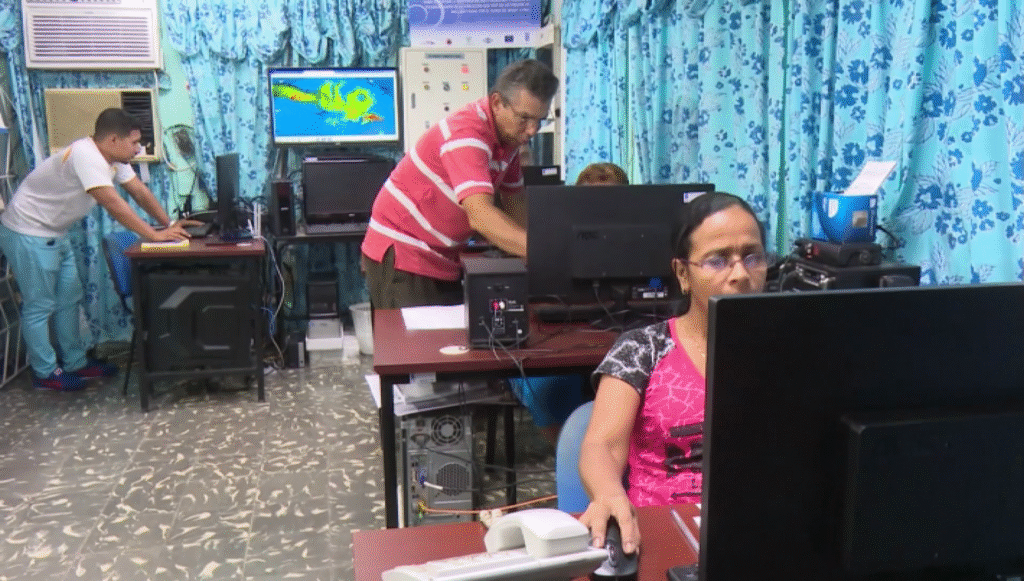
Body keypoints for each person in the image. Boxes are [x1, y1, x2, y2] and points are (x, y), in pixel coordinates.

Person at [577, 192, 768, 555]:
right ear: (683, 273)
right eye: (718, 261)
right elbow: (601, 444)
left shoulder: (790, 349)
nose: (741, 274)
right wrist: (607, 494)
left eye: (753, 257)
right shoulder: (642, 348)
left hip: (760, 532)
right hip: (662, 531)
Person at [0, 108, 196, 391]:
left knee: (69, 298)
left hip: (56, 232)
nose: (138, 148)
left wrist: (172, 225)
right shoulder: (86, 155)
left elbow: (139, 191)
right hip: (28, 232)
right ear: (114, 140)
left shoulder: (114, 159)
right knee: (39, 305)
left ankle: (75, 363)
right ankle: (45, 373)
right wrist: (155, 234)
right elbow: (114, 203)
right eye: (133, 142)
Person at [360, 59, 559, 309]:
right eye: (524, 118)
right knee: (420, 347)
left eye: (540, 120)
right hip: (405, 252)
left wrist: (534, 252)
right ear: (497, 103)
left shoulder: (509, 139)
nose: (531, 130)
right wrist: (548, 254)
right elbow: (481, 217)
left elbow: (515, 201)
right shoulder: (467, 135)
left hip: (442, 256)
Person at [506, 161, 630, 445]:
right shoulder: (550, 239)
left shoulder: (638, 242)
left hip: (612, 332)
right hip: (555, 336)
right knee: (551, 385)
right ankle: (571, 462)